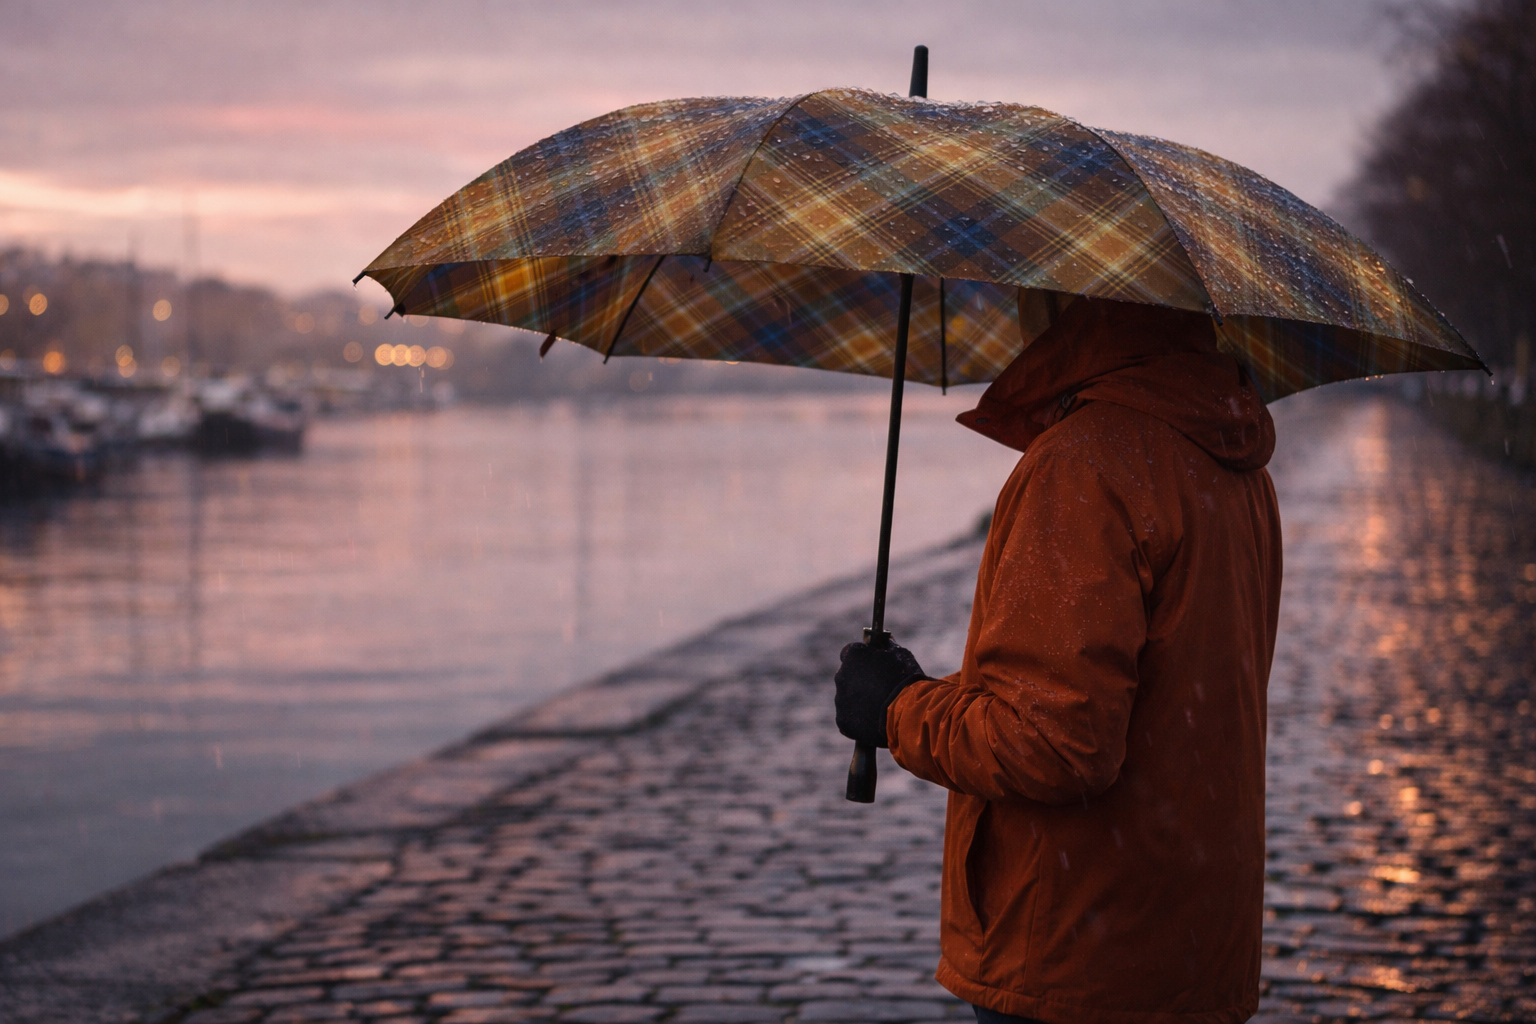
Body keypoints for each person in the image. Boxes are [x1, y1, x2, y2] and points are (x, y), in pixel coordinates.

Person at [834, 295, 1283, 1024]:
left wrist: (897, 707)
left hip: (1077, 952)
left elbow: (1054, 743)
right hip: (1189, 941)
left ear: (1063, 301)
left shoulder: (1089, 463)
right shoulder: (1229, 457)